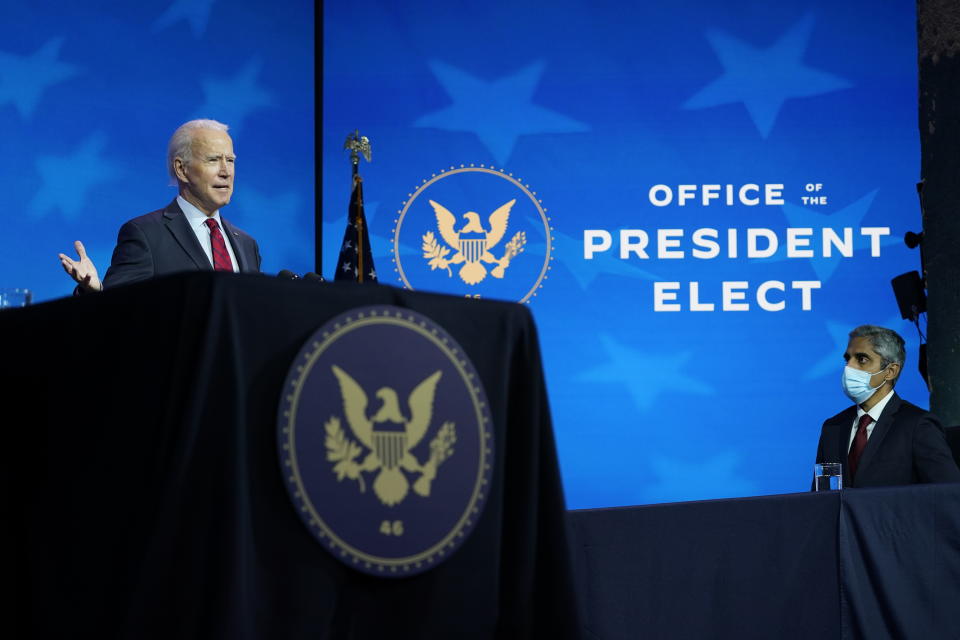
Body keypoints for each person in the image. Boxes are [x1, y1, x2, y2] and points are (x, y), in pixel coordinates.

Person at [59, 119, 261, 292]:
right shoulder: (146, 234)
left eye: (230, 160)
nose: (226, 171)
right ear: (181, 169)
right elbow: (118, 310)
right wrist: (96, 291)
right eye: (213, 160)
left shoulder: (246, 244)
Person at [814, 324, 960, 488]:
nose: (849, 367)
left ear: (890, 371)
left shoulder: (918, 425)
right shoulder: (833, 427)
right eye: (847, 359)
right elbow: (819, 501)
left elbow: (948, 494)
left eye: (862, 359)